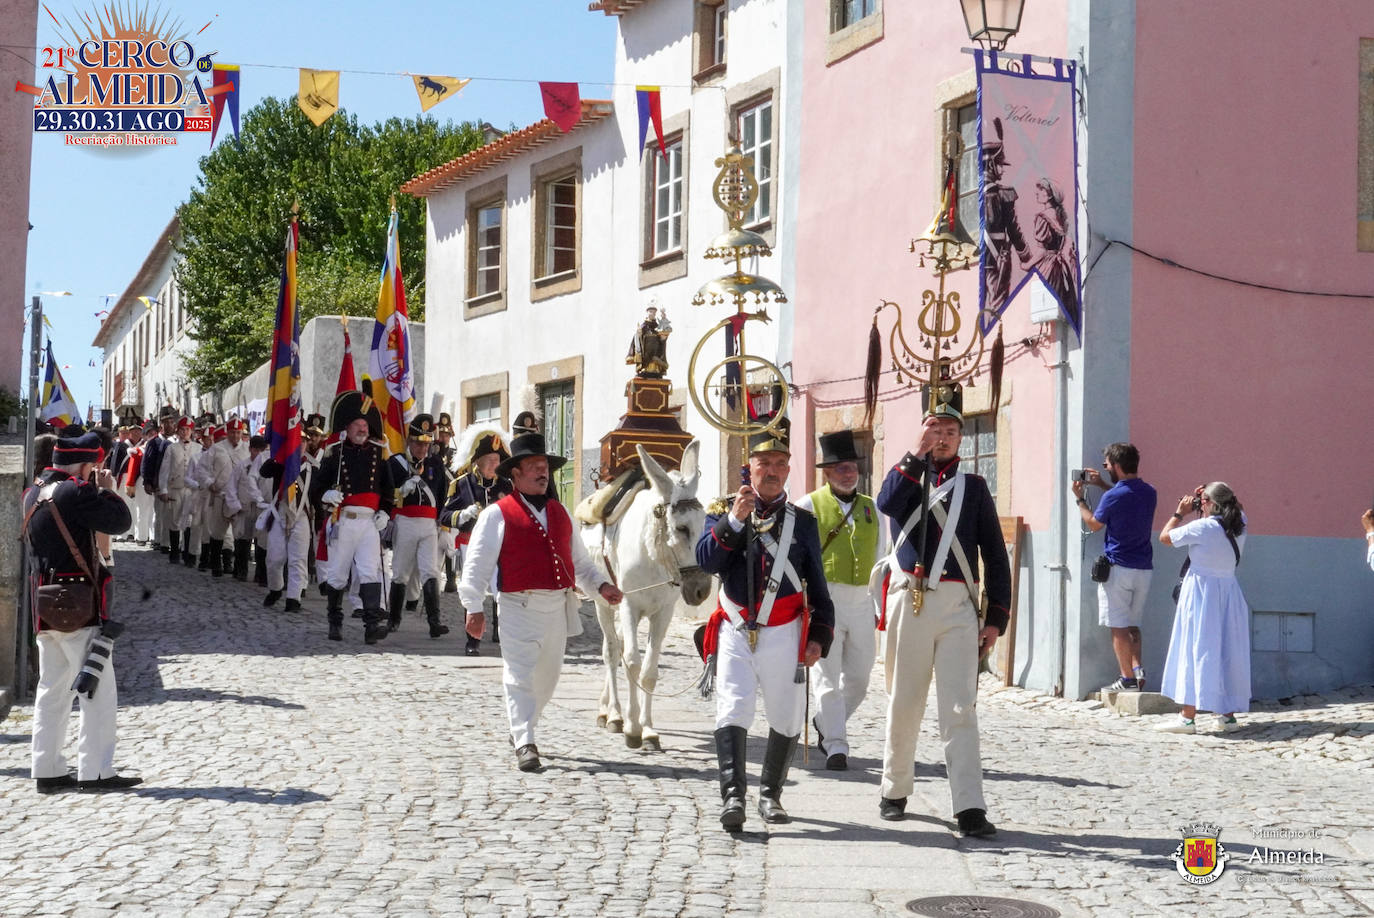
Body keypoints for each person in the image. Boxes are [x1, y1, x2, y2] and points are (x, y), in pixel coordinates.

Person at [874, 387, 1010, 837]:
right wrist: (916, 453)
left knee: (960, 707)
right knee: (904, 701)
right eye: (936, 430)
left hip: (957, 607)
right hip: (910, 600)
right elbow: (887, 504)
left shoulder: (973, 487)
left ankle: (969, 805)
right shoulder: (906, 477)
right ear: (923, 432)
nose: (945, 438)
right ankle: (895, 789)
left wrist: (996, 618)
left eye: (952, 432)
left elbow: (993, 552)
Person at [696, 421, 834, 829]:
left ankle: (771, 794)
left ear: (788, 470)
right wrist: (735, 522)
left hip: (783, 631)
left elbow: (819, 590)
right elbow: (706, 562)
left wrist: (820, 636)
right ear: (749, 467)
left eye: (779, 463)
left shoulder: (803, 523)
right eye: (763, 463)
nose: (771, 470)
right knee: (733, 708)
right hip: (736, 628)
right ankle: (733, 796)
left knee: (786, 715)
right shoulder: (722, 511)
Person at [458, 432, 623, 772]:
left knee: (547, 679)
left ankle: (521, 726)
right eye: (533, 466)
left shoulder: (560, 512)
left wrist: (602, 587)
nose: (541, 472)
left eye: (544, 466)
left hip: (557, 607)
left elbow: (579, 564)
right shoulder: (496, 515)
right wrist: (473, 606)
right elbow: (476, 564)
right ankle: (525, 741)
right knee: (519, 676)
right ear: (514, 474)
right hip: (517, 606)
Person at [23, 431, 141, 793]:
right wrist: (106, 488)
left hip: (44, 602)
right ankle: (97, 771)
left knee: (51, 688)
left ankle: (47, 767)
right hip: (79, 602)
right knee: (97, 687)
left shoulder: (32, 492)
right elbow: (122, 521)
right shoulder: (75, 490)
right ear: (86, 464)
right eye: (94, 466)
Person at [794, 430, 881, 771]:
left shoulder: (872, 508)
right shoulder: (807, 506)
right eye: (840, 468)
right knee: (826, 676)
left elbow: (881, 554)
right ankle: (836, 746)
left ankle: (825, 721)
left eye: (852, 467)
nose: (848, 473)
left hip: (861, 600)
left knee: (860, 678)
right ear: (826, 473)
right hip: (823, 600)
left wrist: (876, 604)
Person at [1156, 483, 1250, 733]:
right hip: (1228, 591)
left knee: (1193, 647)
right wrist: (1209, 496)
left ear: (1210, 503)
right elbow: (1237, 507)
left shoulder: (1202, 527)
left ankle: (1187, 717)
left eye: (1203, 500)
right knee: (1225, 650)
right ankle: (1227, 715)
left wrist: (1179, 513)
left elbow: (1165, 537)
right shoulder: (1239, 522)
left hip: (1200, 592)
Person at [1072, 442, 1157, 692]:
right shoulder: (1150, 492)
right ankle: (1137, 669)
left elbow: (1094, 524)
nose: (1105, 468)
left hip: (1118, 568)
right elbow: (1127, 498)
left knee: (1118, 627)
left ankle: (1127, 678)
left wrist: (1079, 500)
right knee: (1133, 624)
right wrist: (1102, 485)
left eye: (1107, 464)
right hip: (1144, 568)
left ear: (1117, 466)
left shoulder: (1113, 496)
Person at [311, 391, 395, 644]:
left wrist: (385, 513)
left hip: (369, 522)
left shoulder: (379, 454)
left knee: (370, 572)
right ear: (346, 427)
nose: (362, 429)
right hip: (344, 519)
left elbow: (388, 488)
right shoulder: (335, 454)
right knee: (337, 574)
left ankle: (371, 626)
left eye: (365, 425)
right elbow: (316, 486)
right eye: (357, 424)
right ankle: (334, 622)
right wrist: (326, 494)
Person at [441, 422, 513, 655]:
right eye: (490, 460)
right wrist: (463, 514)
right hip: (470, 543)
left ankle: (500, 632)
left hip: (500, 545)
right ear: (478, 461)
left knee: (500, 590)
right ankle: (472, 640)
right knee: (472, 590)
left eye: (497, 460)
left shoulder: (506, 485)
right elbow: (444, 516)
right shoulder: (462, 484)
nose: (495, 464)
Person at [387, 414, 451, 638]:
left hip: (428, 524)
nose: (423, 448)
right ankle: (394, 619)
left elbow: (442, 493)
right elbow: (387, 493)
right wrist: (400, 491)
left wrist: (440, 523)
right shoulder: (396, 463)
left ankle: (434, 622)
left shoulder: (434, 464)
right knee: (401, 572)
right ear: (409, 442)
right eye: (418, 443)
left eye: (427, 443)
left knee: (430, 570)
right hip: (405, 521)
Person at [260, 420, 326, 613]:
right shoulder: (281, 463)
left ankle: (294, 598)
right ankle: (276, 588)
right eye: (298, 441)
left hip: (302, 516)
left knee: (298, 559)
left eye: (304, 441)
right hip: (280, 512)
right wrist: (277, 456)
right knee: (274, 558)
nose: (301, 444)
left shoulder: (313, 467)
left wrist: (320, 520)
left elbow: (316, 495)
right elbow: (264, 472)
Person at [1030, 177, 1080, 330]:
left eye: (1041, 190)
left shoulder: (1042, 217)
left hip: (1048, 265)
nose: (1037, 193)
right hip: (1059, 266)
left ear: (1050, 195)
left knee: (1048, 298)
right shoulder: (1059, 216)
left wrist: (1027, 264)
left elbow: (1042, 250)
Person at [156, 416, 199, 564]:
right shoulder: (171, 448)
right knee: (174, 519)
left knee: (190, 521)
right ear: (178, 431)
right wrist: (163, 489)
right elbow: (165, 469)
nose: (185, 432)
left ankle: (187, 552)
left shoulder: (198, 448)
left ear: (191, 431)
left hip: (192, 489)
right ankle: (174, 551)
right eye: (182, 429)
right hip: (176, 487)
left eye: (187, 429)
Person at [142, 407, 176, 552]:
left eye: (170, 422)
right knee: (160, 513)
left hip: (176, 483)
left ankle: (174, 541)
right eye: (165, 422)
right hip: (158, 483)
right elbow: (147, 463)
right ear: (160, 425)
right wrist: (147, 481)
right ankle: (159, 540)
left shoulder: (178, 441)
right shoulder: (154, 443)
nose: (168, 425)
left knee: (175, 514)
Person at [626, 305, 672, 378]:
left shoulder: (658, 326)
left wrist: (663, 339)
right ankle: (644, 369)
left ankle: (656, 369)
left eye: (654, 312)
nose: (652, 313)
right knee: (647, 360)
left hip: (656, 353)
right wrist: (639, 335)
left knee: (655, 360)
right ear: (647, 312)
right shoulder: (643, 326)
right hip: (646, 354)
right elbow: (637, 339)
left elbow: (662, 339)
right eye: (651, 311)